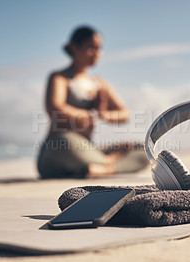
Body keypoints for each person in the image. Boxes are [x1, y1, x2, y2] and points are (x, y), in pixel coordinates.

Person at [37, 26, 149, 179]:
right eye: (91, 48)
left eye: (99, 48)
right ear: (74, 47)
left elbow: (124, 114)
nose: (97, 53)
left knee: (143, 150)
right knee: (66, 141)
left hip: (89, 148)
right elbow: (54, 109)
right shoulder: (60, 78)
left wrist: (103, 115)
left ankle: (101, 168)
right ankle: (110, 162)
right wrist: (89, 115)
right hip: (59, 149)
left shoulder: (99, 83)